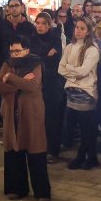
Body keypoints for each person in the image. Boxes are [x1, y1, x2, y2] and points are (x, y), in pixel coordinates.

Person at [0, 36, 51, 201]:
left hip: (31, 114)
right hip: (12, 114)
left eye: (17, 51)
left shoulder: (35, 63)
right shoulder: (7, 64)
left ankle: (42, 192)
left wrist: (10, 78)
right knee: (13, 151)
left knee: (35, 152)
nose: (14, 54)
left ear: (26, 50)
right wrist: (19, 83)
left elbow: (32, 85)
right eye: (12, 51)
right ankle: (17, 189)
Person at [60, 17, 101, 169]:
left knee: (87, 128)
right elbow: (60, 69)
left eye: (83, 28)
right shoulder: (70, 47)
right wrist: (72, 71)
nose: (78, 30)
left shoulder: (92, 49)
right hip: (71, 91)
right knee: (75, 126)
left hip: (86, 92)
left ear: (89, 31)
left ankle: (83, 156)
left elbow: (84, 71)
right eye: (77, 27)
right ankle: (92, 156)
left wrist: (69, 69)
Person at [29, 13, 64, 163]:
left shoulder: (55, 39)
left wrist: (42, 57)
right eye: (38, 23)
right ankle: (40, 147)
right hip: (37, 83)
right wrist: (45, 55)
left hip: (53, 84)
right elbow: (33, 59)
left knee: (52, 118)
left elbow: (55, 60)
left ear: (49, 25)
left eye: (43, 23)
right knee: (38, 117)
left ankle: (53, 150)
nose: (40, 26)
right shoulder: (32, 39)